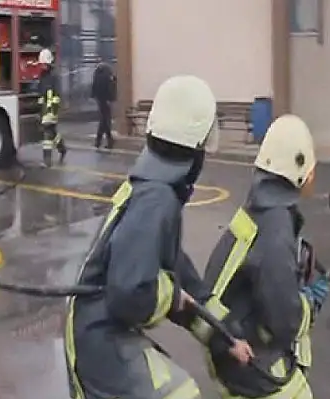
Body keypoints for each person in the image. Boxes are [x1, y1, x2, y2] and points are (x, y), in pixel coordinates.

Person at [64, 75, 253, 399]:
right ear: (196, 150)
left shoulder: (151, 187)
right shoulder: (158, 199)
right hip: (100, 339)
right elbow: (129, 295)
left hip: (95, 331)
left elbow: (177, 270)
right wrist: (171, 293)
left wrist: (225, 334)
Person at [192, 115, 330, 398]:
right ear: (301, 168)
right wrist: (310, 302)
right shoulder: (277, 228)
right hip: (245, 360)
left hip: (225, 343)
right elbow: (285, 321)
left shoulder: (258, 209)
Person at [37, 47, 66, 167]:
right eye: (41, 64)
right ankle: (62, 149)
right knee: (52, 133)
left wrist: (53, 110)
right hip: (45, 109)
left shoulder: (53, 76)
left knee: (47, 135)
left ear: (48, 64)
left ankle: (47, 160)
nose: (42, 66)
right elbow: (41, 94)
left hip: (52, 109)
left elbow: (56, 95)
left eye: (44, 64)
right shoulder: (43, 77)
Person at [91, 62, 116, 149]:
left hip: (100, 99)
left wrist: (94, 96)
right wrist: (111, 98)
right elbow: (111, 87)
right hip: (106, 100)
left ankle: (100, 140)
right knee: (105, 120)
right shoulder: (108, 74)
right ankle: (107, 140)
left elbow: (94, 86)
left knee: (103, 120)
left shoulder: (97, 74)